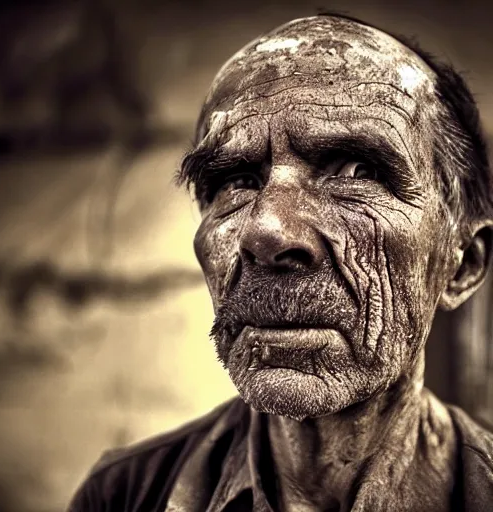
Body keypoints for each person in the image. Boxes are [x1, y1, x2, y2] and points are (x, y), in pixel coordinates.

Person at [68, 14, 493, 512]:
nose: (267, 232)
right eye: (238, 180)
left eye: (357, 171)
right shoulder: (124, 496)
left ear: (462, 265)